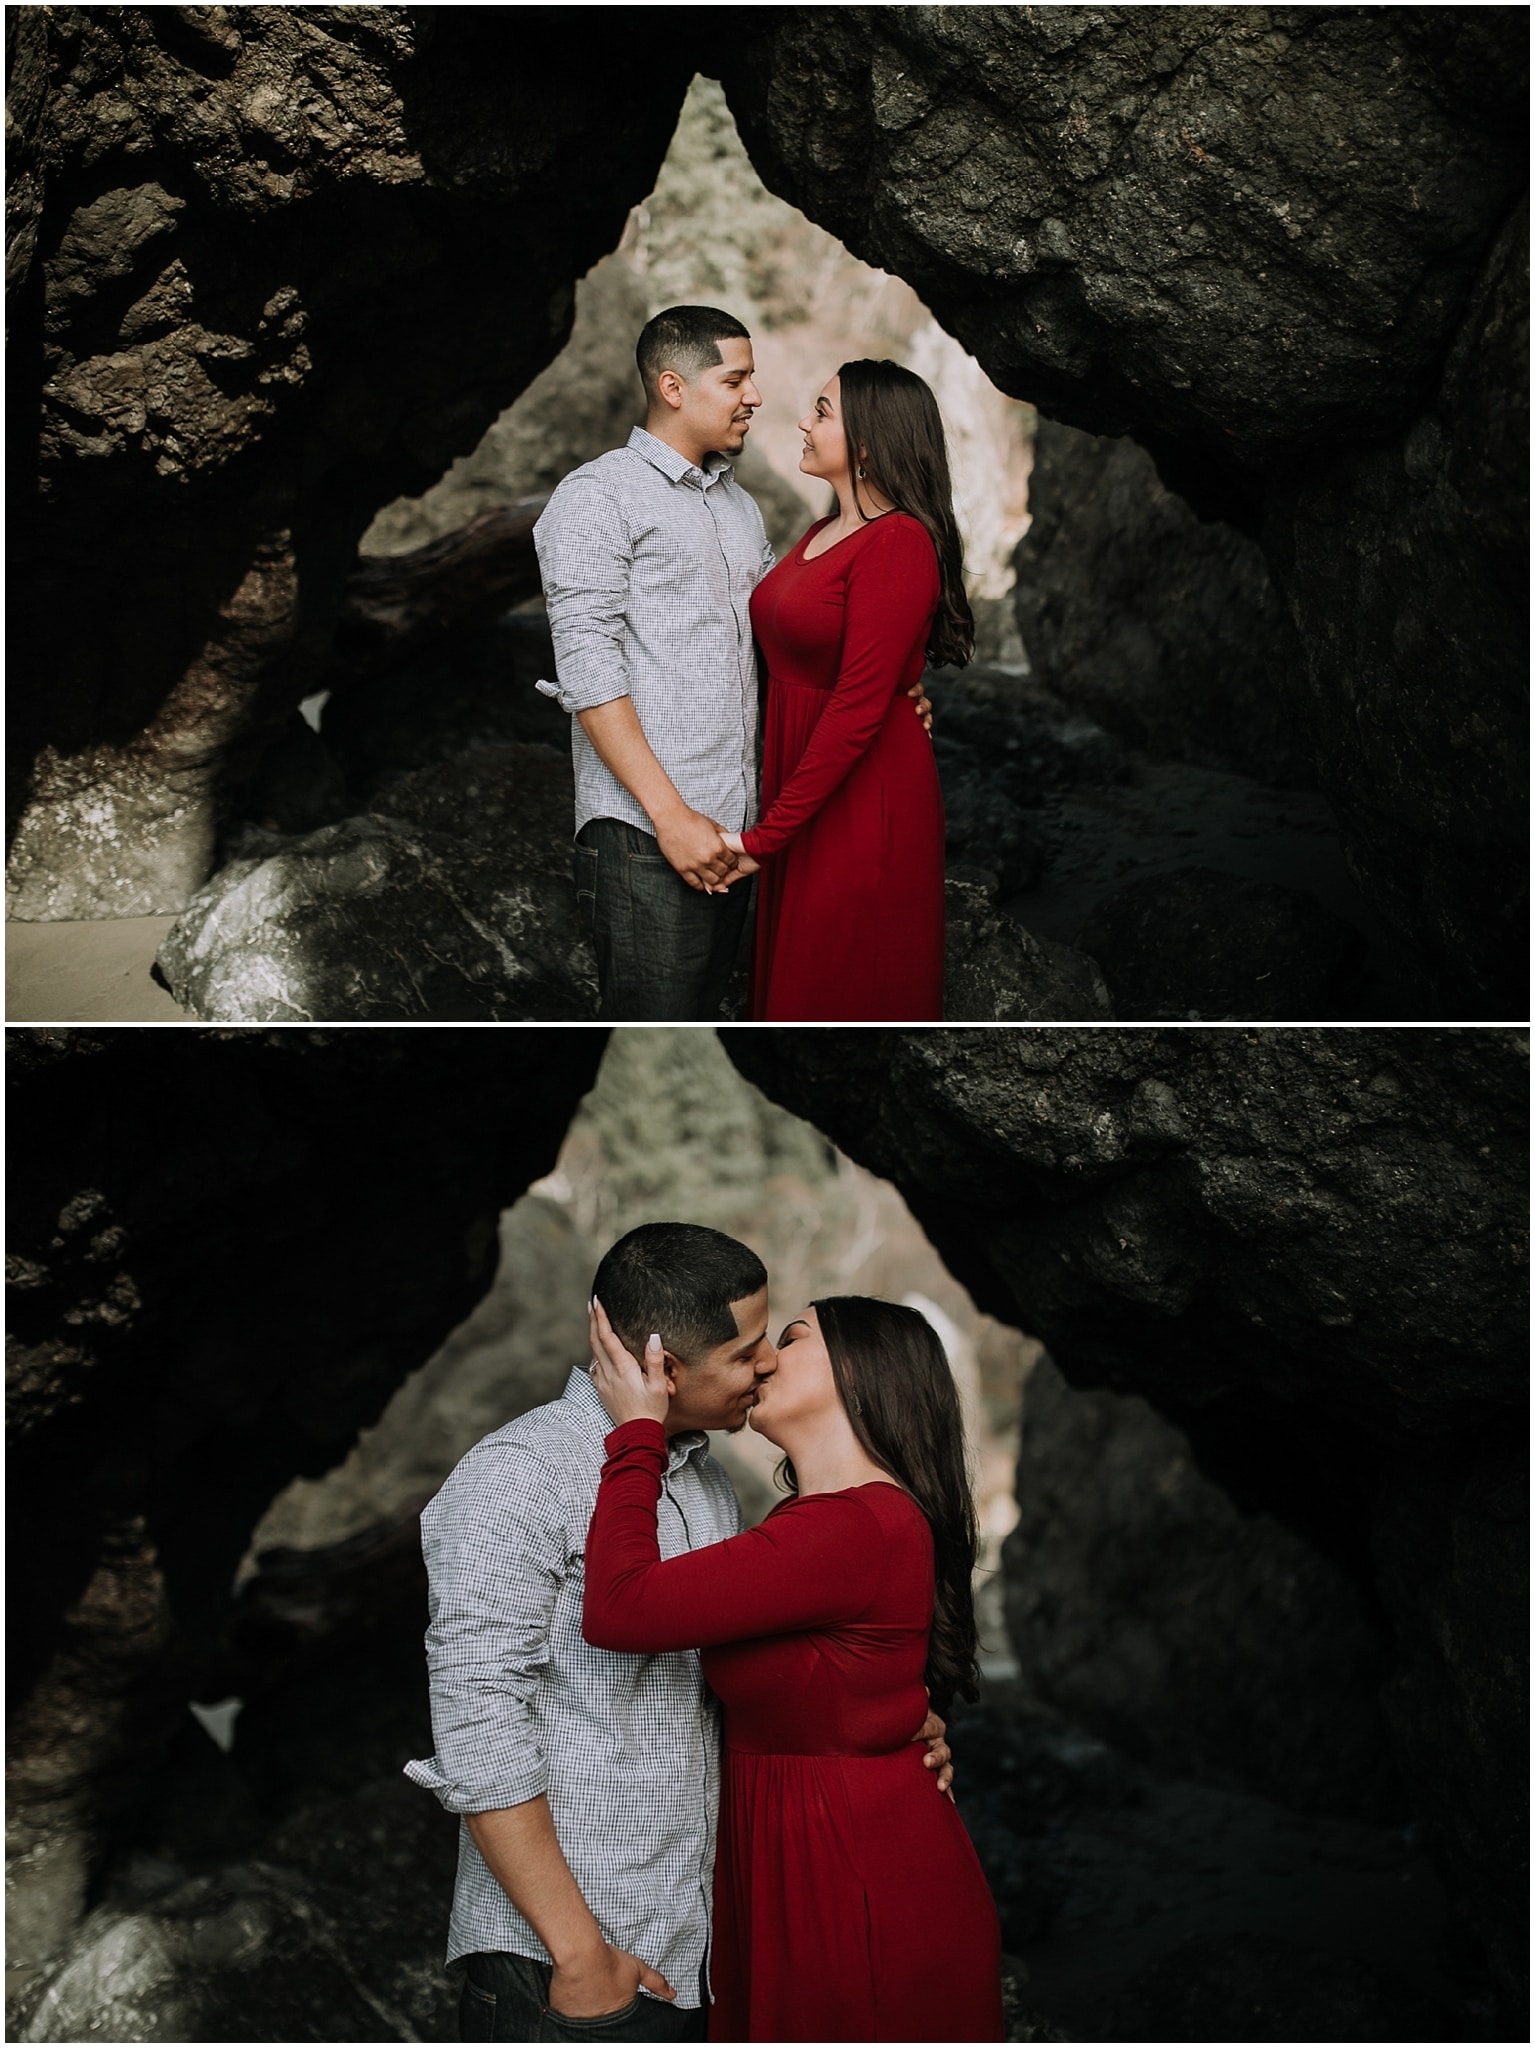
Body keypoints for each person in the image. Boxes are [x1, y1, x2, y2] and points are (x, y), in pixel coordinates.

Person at [405, 1223, 953, 2043]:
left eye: (775, 1342)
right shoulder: (515, 1476)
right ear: (663, 1369)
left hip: (695, 1943)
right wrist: (579, 1953)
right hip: (571, 1962)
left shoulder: (702, 1482)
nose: (764, 1364)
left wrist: (891, 1714)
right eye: (747, 1352)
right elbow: (477, 1730)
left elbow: (734, 1674)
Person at [584, 1294, 1005, 2043]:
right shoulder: (831, 1522)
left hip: (848, 1873)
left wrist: (637, 1434)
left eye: (792, 1337)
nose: (766, 1358)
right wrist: (910, 1717)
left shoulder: (849, 1525)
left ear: (862, 1372)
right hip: (807, 1854)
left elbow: (620, 1607)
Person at [533, 311, 930, 1023]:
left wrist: (895, 684)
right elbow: (588, 670)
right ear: (673, 386)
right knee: (658, 1036)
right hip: (646, 835)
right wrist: (669, 817)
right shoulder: (597, 496)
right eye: (735, 379)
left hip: (743, 827)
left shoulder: (741, 508)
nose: (754, 397)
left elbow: (785, 640)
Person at [722, 359, 974, 1021]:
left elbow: (858, 704)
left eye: (822, 411)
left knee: (833, 990)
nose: (803, 422)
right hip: (804, 784)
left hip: (861, 796)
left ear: (866, 442)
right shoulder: (822, 531)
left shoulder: (897, 543)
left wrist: (763, 838)